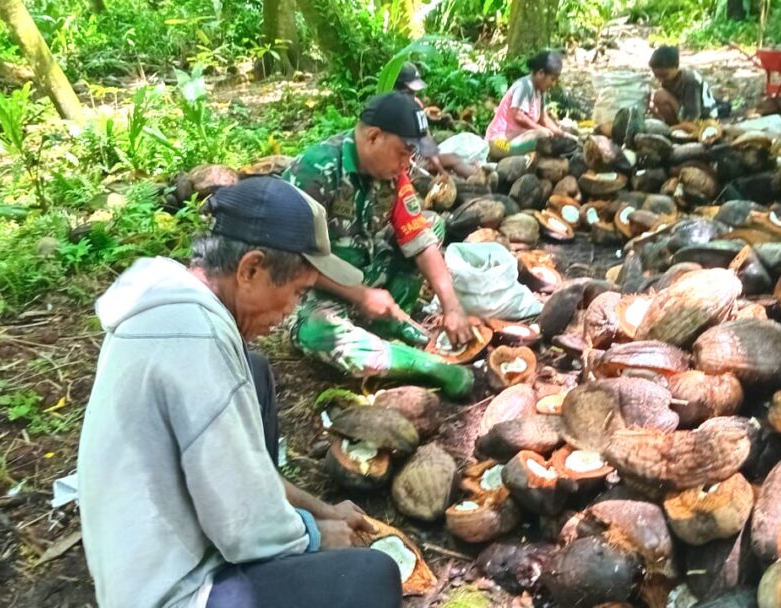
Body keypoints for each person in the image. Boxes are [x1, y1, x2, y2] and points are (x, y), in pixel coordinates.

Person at [77, 176, 402, 608]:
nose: (290, 311)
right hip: (172, 589)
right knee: (370, 576)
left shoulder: (171, 306)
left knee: (256, 371)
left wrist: (320, 510)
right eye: (296, 292)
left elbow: (242, 474)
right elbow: (243, 525)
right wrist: (313, 533)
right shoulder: (197, 344)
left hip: (159, 551)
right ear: (250, 269)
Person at [282, 92, 477, 399]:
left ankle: (389, 322)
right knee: (317, 332)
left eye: (412, 154)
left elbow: (420, 239)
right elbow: (291, 261)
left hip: (369, 270)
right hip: (319, 291)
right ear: (373, 137)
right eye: (403, 152)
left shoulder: (394, 175)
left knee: (432, 225)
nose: (407, 164)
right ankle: (426, 367)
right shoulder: (315, 171)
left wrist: (452, 305)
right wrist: (358, 295)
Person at [394, 62, 483, 178]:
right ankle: (480, 179)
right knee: (453, 159)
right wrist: (441, 171)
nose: (414, 93)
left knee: (454, 159)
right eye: (410, 91)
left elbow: (426, 136)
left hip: (416, 156)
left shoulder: (412, 104)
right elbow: (425, 141)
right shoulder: (406, 107)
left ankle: (479, 176)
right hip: (409, 163)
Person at [485, 50, 575, 159]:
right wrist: (540, 129)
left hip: (515, 139)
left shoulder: (540, 91)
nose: (553, 84)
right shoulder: (524, 86)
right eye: (552, 79)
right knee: (542, 135)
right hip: (498, 143)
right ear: (541, 73)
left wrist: (561, 133)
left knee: (553, 135)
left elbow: (544, 118)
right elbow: (517, 114)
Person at [648, 45, 719, 125]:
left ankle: (677, 128)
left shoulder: (690, 80)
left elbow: (694, 114)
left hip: (702, 118)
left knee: (660, 96)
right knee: (652, 98)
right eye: (656, 76)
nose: (660, 79)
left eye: (664, 75)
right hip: (683, 112)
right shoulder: (669, 79)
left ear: (676, 66)